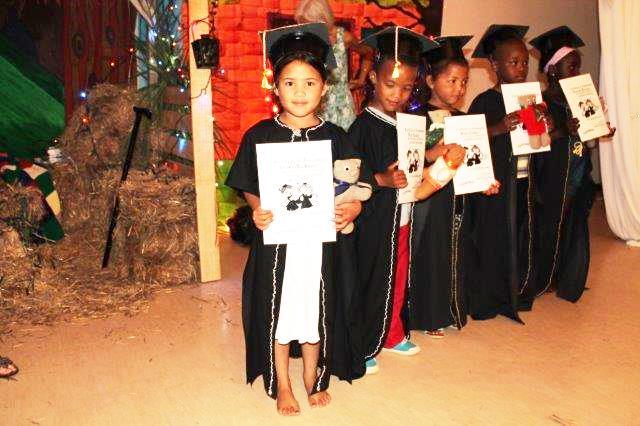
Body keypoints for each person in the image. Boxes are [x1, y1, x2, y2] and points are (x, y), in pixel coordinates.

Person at [225, 23, 364, 416]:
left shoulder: (336, 136)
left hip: (318, 246)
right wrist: (257, 208)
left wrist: (352, 208)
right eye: (289, 83)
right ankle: (282, 382)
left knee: (315, 308)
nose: (300, 92)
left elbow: (355, 186)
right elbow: (248, 182)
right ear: (275, 87)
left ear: (324, 88)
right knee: (279, 309)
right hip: (278, 243)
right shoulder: (260, 135)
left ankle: (312, 376)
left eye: (309, 83)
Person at [349, 27, 465, 374]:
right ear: (373, 78)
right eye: (390, 84)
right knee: (372, 281)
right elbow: (350, 177)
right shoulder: (363, 127)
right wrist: (381, 179)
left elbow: (409, 163)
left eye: (406, 88)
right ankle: (363, 343)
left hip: (402, 215)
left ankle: (392, 332)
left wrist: (431, 153)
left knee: (399, 276)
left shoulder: (405, 122)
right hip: (373, 222)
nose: (398, 94)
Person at [408, 36, 500, 339]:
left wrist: (485, 182)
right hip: (429, 200)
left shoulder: (465, 120)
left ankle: (451, 309)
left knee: (455, 253)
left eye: (464, 82)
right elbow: (409, 162)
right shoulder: (415, 118)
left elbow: (474, 162)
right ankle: (426, 315)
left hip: (457, 200)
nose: (459, 88)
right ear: (431, 80)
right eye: (452, 81)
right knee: (430, 254)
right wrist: (432, 152)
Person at [466, 24, 551, 320]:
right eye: (513, 62)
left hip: (523, 181)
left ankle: (519, 291)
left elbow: (539, 142)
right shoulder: (485, 101)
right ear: (494, 64)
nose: (521, 68)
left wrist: (546, 126)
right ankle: (490, 298)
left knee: (522, 235)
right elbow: (470, 141)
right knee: (494, 239)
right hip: (496, 185)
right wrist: (500, 127)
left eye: (525, 62)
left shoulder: (530, 99)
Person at [528, 26, 615, 303]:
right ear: (553, 70)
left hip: (578, 172)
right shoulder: (539, 102)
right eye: (571, 67)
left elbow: (586, 140)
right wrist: (564, 129)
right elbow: (535, 142)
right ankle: (543, 278)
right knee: (549, 226)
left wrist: (599, 128)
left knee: (573, 225)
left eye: (578, 67)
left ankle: (567, 277)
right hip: (551, 176)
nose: (577, 73)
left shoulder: (579, 100)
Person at [294, 0, 374, 130]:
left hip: (342, 108)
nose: (306, 28)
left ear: (323, 18)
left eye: (309, 24)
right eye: (303, 24)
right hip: (315, 105)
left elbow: (368, 52)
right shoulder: (304, 41)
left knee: (345, 142)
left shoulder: (343, 37)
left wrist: (361, 79)